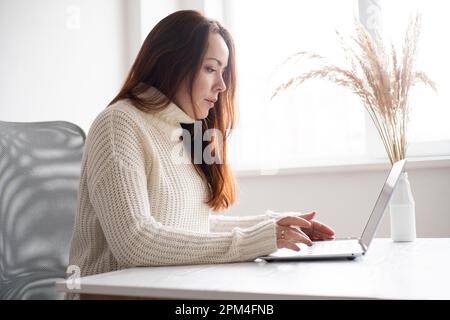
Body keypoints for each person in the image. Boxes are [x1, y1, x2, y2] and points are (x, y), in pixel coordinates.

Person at [67, 10, 335, 296]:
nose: (221, 86)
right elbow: (135, 242)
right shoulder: (118, 124)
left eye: (224, 73)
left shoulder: (192, 131)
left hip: (173, 289)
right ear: (172, 64)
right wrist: (256, 240)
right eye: (210, 69)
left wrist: (275, 225)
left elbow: (199, 225)